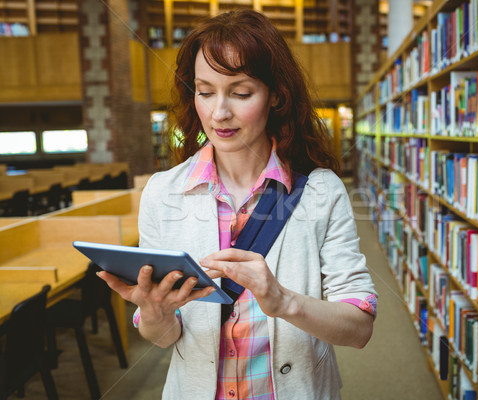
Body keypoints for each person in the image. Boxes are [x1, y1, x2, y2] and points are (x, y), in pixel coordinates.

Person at [98, 9, 377, 400]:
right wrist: (157, 314)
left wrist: (283, 301)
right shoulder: (162, 193)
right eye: (205, 91)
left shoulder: (321, 192)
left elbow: (360, 328)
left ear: (276, 96)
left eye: (241, 93)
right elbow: (163, 338)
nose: (219, 113)